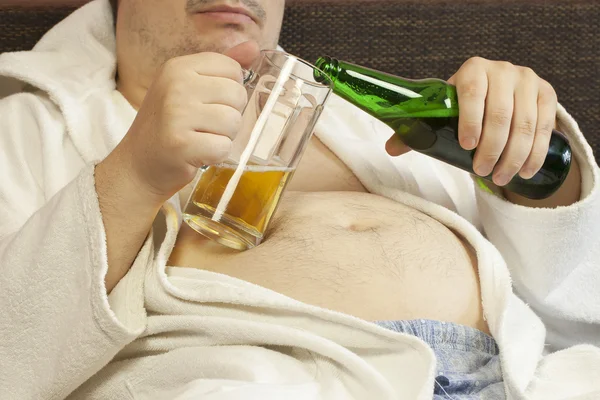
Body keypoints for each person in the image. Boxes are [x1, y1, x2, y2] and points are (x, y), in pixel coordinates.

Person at [0, 0, 599, 398]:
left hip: (508, 376)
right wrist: (130, 175)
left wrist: (527, 159)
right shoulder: (27, 128)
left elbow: (576, 300)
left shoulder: (360, 120)